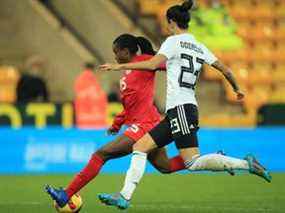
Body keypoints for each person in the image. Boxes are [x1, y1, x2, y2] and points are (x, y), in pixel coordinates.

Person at [98, 0, 272, 210]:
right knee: (140, 146)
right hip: (181, 110)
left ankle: (247, 164)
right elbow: (226, 70)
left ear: (171, 21)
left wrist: (120, 66)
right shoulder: (199, 45)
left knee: (192, 163)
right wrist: (237, 89)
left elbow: (153, 64)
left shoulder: (173, 42)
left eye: (166, 22)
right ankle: (124, 196)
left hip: (181, 109)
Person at [45, 34, 189, 208]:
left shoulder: (146, 61)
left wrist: (185, 61)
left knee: (101, 154)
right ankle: (206, 161)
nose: (114, 56)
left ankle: (66, 194)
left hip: (145, 125)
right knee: (165, 167)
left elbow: (170, 65)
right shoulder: (127, 71)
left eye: (116, 52)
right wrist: (117, 124)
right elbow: (129, 105)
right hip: (146, 124)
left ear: (126, 52)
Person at [74, 62, 108, 129]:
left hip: (83, 117)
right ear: (93, 69)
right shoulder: (95, 79)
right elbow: (101, 94)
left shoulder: (79, 79)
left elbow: (78, 94)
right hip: (96, 118)